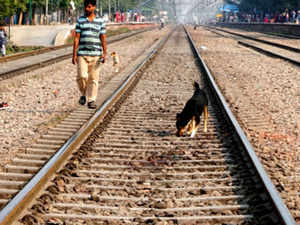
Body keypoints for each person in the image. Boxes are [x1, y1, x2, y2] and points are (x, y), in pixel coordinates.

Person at [72, 0, 107, 109]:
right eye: (86, 7)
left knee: (93, 79)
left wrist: (104, 53)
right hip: (82, 53)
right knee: (82, 76)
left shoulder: (100, 21)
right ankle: (83, 93)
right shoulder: (80, 21)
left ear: (94, 7)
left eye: (89, 7)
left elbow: (103, 38)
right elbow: (76, 38)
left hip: (96, 54)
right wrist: (74, 54)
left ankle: (91, 100)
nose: (87, 9)